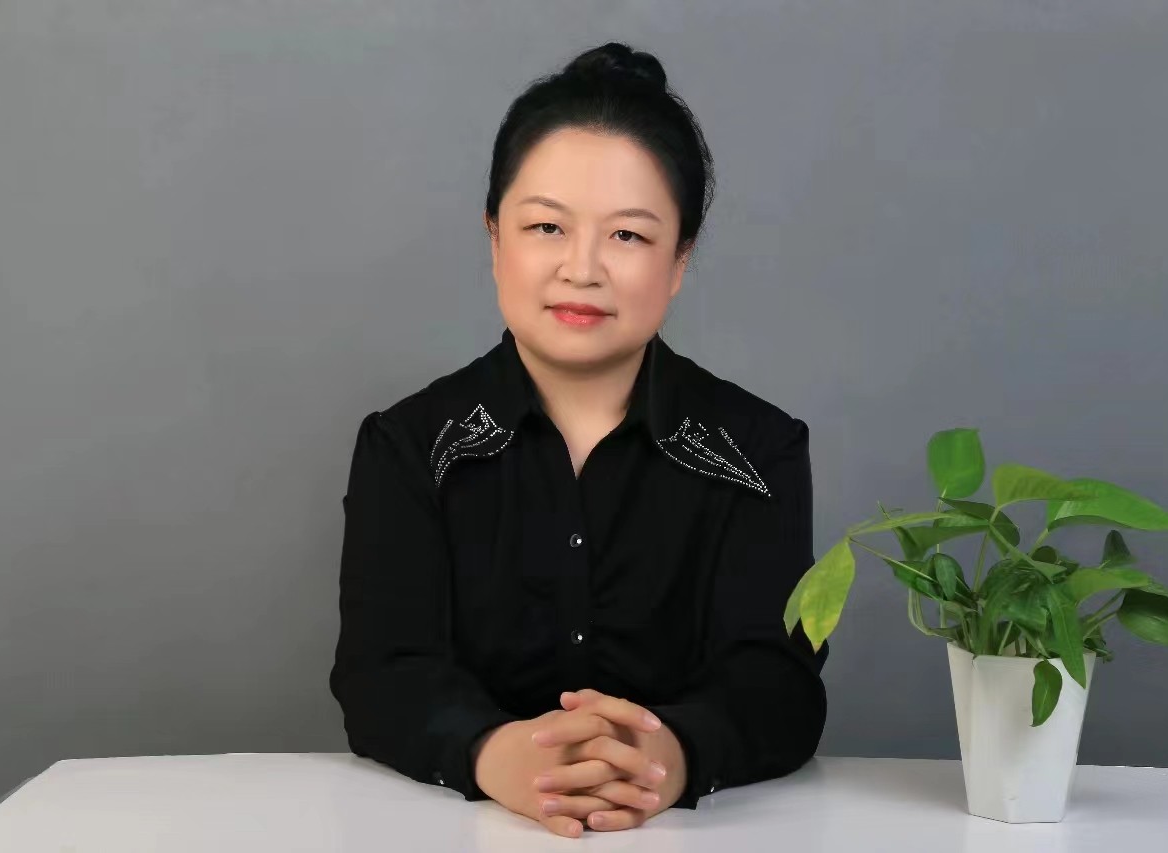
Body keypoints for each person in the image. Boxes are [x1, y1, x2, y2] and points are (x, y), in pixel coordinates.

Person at [329, 41, 828, 839]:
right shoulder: (409, 445)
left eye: (627, 236)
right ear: (495, 238)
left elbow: (780, 678)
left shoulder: (758, 450)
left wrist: (669, 755)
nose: (582, 268)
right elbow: (380, 672)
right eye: (546, 226)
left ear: (680, 260)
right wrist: (498, 754)